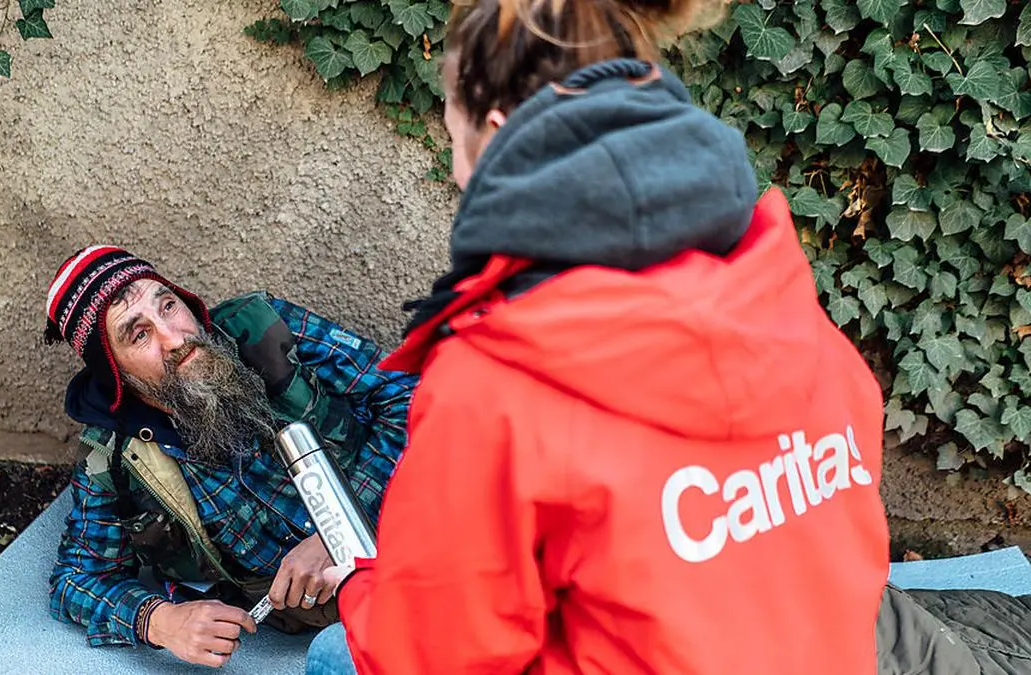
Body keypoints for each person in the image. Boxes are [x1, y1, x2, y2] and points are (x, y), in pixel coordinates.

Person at [307, 0, 897, 672]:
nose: (455, 172)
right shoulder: (781, 296)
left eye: (452, 142)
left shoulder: (493, 384)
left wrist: (361, 585)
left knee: (335, 652)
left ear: (496, 135)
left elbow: (429, 656)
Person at [41, 245, 416, 668]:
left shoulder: (265, 331)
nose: (176, 339)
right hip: (346, 616)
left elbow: (414, 397)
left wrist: (341, 528)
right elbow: (77, 579)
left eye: (168, 306)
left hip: (425, 531)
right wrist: (161, 620)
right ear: (114, 372)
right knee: (333, 659)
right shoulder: (116, 455)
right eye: (140, 334)